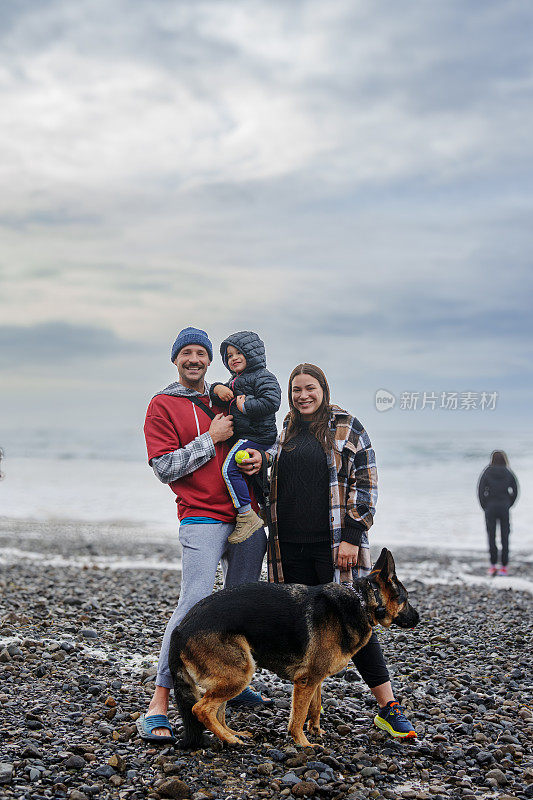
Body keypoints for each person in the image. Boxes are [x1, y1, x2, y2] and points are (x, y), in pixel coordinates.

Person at [240, 363, 417, 739]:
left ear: (324, 389)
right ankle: (307, 715)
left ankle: (389, 708)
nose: (303, 396)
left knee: (357, 626)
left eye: (310, 388)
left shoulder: (348, 426)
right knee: (304, 632)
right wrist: (259, 462)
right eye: (296, 390)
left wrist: (353, 534)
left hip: (335, 547)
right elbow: (270, 464)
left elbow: (366, 482)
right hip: (287, 548)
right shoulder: (285, 428)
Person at [138, 327, 272, 743]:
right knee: (193, 603)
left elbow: (260, 438)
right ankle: (158, 704)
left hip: (247, 515)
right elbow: (164, 468)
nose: (195, 359)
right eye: (187, 353)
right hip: (201, 517)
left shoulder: (223, 396)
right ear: (175, 359)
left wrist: (257, 461)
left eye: (201, 353)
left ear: (209, 361)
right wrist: (208, 438)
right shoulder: (162, 405)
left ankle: (233, 682)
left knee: (243, 605)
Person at [210, 331, 281, 543]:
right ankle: (264, 511)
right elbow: (220, 395)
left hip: (258, 434)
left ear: (253, 353)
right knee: (253, 475)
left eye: (239, 353)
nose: (234, 358)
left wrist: (246, 406)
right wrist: (217, 388)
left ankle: (246, 515)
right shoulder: (235, 380)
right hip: (247, 434)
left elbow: (272, 401)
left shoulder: (263, 376)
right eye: (229, 355)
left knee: (229, 470)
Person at [478, 450, 519, 576]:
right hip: (504, 507)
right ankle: (504, 567)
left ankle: (493, 565)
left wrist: (485, 505)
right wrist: (509, 503)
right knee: (505, 535)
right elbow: (516, 490)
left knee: (491, 535)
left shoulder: (487, 472)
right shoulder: (508, 472)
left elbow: (480, 491)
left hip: (490, 507)